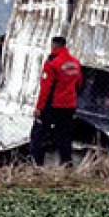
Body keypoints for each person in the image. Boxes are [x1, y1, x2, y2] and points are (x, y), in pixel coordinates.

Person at [30, 36, 83, 166]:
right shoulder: (75, 62)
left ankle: (37, 164)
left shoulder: (52, 63)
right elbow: (79, 84)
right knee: (65, 136)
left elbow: (46, 88)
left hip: (53, 105)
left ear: (54, 45)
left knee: (39, 134)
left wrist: (39, 108)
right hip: (69, 105)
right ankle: (66, 163)